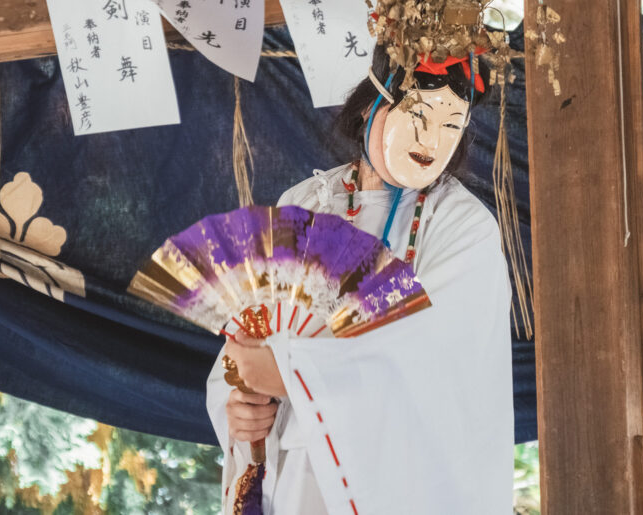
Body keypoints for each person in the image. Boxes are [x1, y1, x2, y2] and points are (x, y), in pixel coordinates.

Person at [206, 46, 515, 515]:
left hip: (393, 485)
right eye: (420, 115)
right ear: (374, 100)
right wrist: (239, 405)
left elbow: (436, 366)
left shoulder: (461, 227)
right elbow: (243, 341)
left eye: (452, 124)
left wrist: (296, 373)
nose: (433, 140)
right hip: (292, 484)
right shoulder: (305, 201)